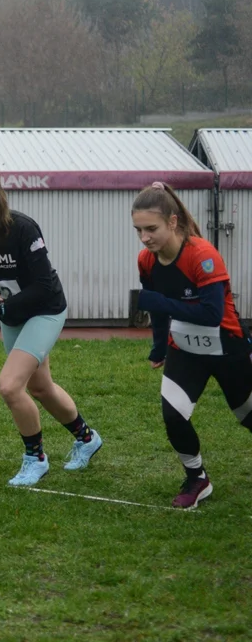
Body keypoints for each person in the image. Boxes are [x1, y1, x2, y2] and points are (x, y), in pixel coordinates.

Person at [0, 157, 102, 486]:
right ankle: (87, 438)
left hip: (45, 309)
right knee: (40, 387)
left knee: (9, 386)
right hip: (13, 312)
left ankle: (35, 459)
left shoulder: (23, 228)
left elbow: (43, 287)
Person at [133, 181, 252, 509]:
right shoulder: (147, 260)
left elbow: (212, 315)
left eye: (151, 229)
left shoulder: (202, 254)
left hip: (227, 348)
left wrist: (158, 302)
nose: (144, 238)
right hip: (184, 350)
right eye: (138, 230)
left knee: (247, 416)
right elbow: (158, 310)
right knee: (173, 415)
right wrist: (159, 347)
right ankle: (197, 478)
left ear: (172, 222)